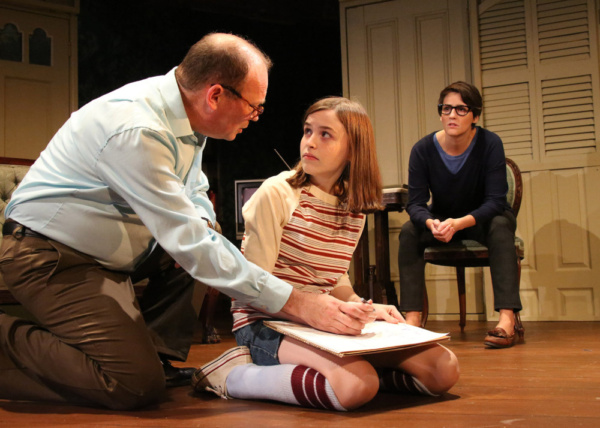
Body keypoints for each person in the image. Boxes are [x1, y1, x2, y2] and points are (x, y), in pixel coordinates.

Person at [0, 34, 374, 410]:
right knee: (133, 386)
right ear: (215, 96)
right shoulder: (140, 130)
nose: (254, 117)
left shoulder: (185, 114)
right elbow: (189, 242)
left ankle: (153, 358)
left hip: (109, 251)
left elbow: (194, 191)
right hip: (50, 254)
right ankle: (131, 369)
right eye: (254, 107)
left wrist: (206, 228)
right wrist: (301, 304)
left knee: (205, 247)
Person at [191, 97, 460, 411]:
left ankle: (362, 372)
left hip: (322, 323)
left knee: (444, 369)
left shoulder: (353, 208)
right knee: (355, 385)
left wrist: (361, 307)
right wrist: (315, 311)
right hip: (265, 325)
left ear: (353, 149)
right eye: (308, 132)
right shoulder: (276, 193)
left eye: (325, 134)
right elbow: (251, 288)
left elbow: (333, 277)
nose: (310, 143)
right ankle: (233, 376)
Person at [397, 81, 524, 348]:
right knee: (409, 231)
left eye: (461, 109)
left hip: (482, 220)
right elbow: (416, 203)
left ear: (475, 116)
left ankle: (506, 320)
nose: (452, 115)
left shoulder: (490, 143)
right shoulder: (422, 149)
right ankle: (412, 318)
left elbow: (495, 201)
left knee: (502, 225)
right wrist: (432, 223)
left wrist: (460, 223)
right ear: (440, 113)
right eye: (446, 108)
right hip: (443, 219)